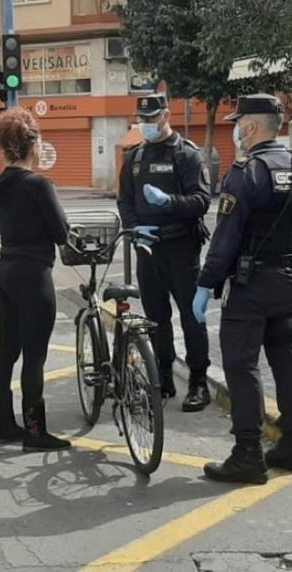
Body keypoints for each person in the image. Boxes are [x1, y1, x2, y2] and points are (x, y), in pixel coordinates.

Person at [193, 94, 292, 484]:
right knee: (286, 360)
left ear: (250, 126)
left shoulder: (247, 171)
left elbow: (227, 236)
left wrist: (206, 283)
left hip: (252, 285)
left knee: (242, 367)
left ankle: (248, 454)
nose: (235, 130)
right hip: (289, 281)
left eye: (237, 123)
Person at [117, 93, 214, 412]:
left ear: (166, 115)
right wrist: (133, 227)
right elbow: (125, 201)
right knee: (156, 318)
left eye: (152, 118)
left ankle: (198, 381)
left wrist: (170, 202)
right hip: (147, 248)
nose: (146, 124)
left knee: (191, 317)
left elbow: (202, 200)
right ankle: (163, 378)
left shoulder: (186, 155)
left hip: (181, 247)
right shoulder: (134, 158)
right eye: (142, 119)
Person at [0, 108, 72, 452]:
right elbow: (61, 232)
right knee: (34, 356)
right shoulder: (39, 185)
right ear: (33, 146)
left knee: (7, 349)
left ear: (4, 149)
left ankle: (4, 424)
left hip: (5, 270)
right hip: (33, 275)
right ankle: (35, 432)